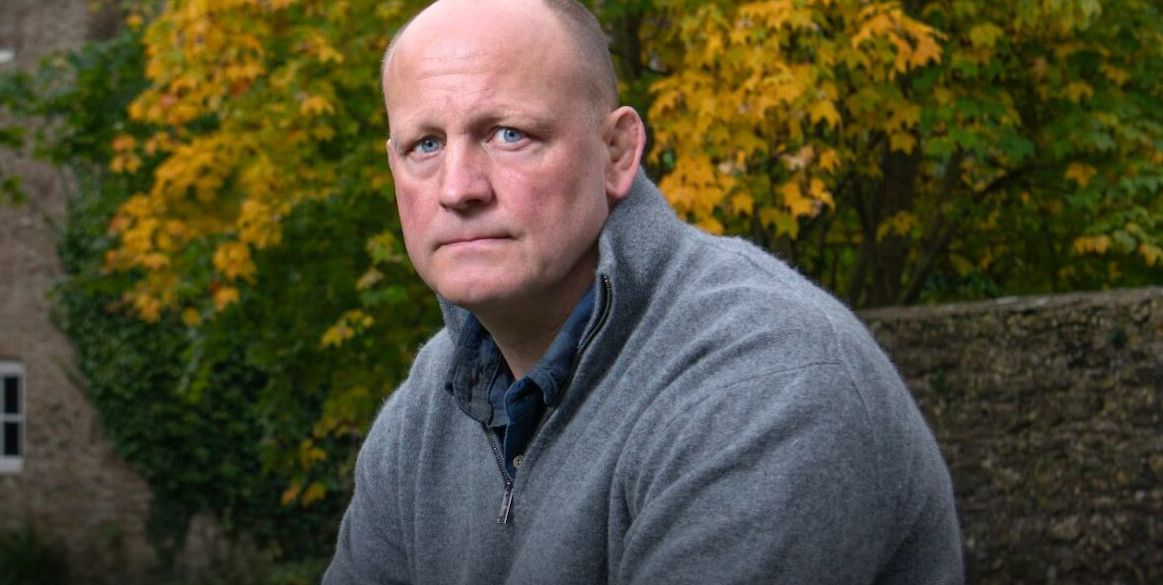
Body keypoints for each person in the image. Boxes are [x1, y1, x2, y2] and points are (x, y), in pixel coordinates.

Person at [324, 0, 964, 583]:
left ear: (617, 152)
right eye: (425, 144)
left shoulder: (766, 381)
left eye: (509, 134)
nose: (458, 187)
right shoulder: (428, 406)